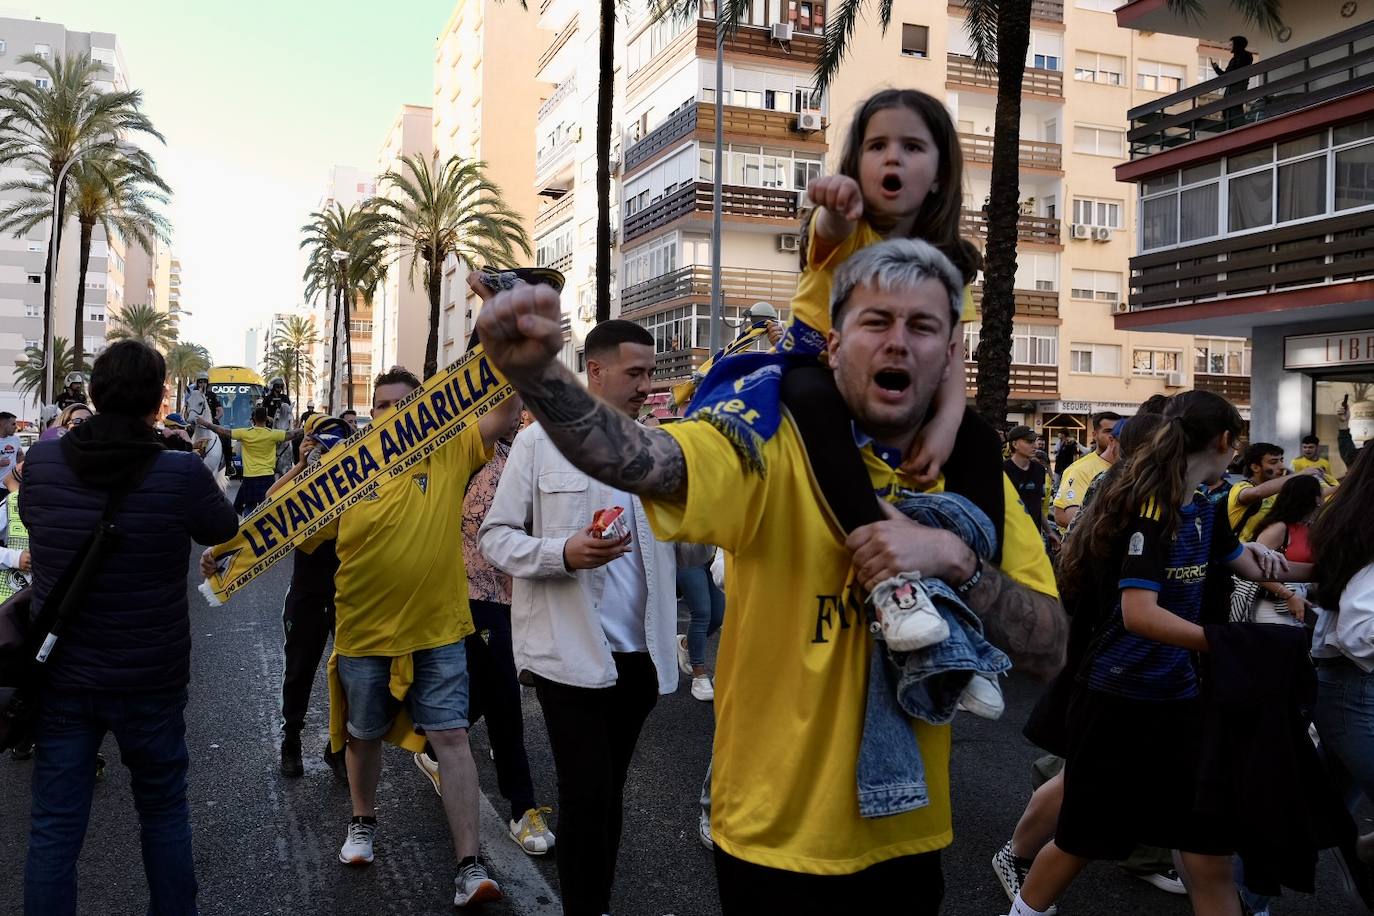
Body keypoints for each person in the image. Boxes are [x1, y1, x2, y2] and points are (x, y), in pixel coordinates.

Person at [477, 239, 1067, 913]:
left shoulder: (970, 481)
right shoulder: (762, 444)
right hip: (768, 846)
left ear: (949, 352)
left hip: (907, 842)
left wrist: (955, 559)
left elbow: (1047, 647)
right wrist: (539, 374)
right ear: (835, 343)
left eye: (924, 325)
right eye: (877, 322)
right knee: (591, 799)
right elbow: (640, 459)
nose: (898, 344)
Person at [1010, 390, 1309, 916]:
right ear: (1226, 443)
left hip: (1183, 700)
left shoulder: (1204, 506)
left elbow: (1251, 563)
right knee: (1082, 840)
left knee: (1210, 856)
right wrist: (1228, 642)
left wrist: (1337, 572)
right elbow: (1138, 614)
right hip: (1119, 699)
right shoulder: (1151, 511)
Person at [20, 340, 239, 915]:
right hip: (151, 677)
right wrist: (173, 451)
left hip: (63, 674)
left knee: (54, 828)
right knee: (163, 810)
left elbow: (35, 519)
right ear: (155, 402)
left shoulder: (40, 465)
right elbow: (222, 527)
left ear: (93, 393)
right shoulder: (179, 470)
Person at [479, 320, 680, 916]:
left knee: (607, 795)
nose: (647, 385)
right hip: (569, 655)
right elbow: (496, 537)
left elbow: (684, 546)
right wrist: (561, 552)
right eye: (635, 372)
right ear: (595, 372)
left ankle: (596, 901)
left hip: (641, 659)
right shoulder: (539, 445)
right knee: (587, 793)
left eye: (650, 372)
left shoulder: (658, 450)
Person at [324, 361, 518, 908]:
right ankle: (363, 822)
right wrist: (228, 556)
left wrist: (511, 344)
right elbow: (286, 524)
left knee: (452, 737)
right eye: (381, 404)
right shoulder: (345, 466)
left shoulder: (449, 450)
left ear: (422, 410)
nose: (390, 413)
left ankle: (470, 865)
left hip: (436, 630)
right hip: (362, 630)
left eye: (401, 404)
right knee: (363, 732)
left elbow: (504, 413)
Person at [786, 88, 980, 485]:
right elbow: (831, 225)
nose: (893, 157)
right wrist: (837, 202)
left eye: (912, 146)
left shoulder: (945, 269)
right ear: (856, 165)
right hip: (814, 372)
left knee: (978, 439)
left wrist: (945, 426)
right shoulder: (847, 232)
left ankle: (981, 545)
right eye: (877, 146)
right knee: (812, 398)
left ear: (939, 176)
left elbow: (952, 369)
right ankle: (868, 522)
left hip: (896, 391)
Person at [413, 400, 557, 858]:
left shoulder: (537, 457)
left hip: (527, 594)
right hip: (475, 591)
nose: (520, 414)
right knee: (504, 697)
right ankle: (522, 806)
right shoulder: (469, 455)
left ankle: (433, 747)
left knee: (485, 690)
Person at [1311, 444, 1374, 824]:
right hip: (1353, 691)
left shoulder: (1359, 523)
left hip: (1349, 687)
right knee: (1315, 808)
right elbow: (1359, 632)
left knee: (1317, 809)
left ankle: (1240, 882)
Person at [1247, 473, 1322, 627]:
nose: (1322, 500)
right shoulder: (1279, 528)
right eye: (1320, 494)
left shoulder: (1309, 527)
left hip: (1302, 603)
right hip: (1273, 605)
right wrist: (1288, 595)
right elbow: (1254, 568)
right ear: (1311, 498)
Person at [197, 406, 300, 516]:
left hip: (250, 478)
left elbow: (223, 431)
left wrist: (205, 423)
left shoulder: (245, 433)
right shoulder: (273, 434)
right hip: (268, 478)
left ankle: (248, 529)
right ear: (266, 419)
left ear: (254, 418)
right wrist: (310, 427)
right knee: (267, 509)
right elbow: (293, 434)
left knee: (249, 508)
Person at [1050, 412, 1121, 530]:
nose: (1113, 436)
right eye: (1108, 431)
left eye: (1118, 432)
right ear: (1094, 435)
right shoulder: (1079, 469)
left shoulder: (1127, 466)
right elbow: (1062, 516)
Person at [676, 541, 725, 701]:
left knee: (718, 616)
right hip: (689, 549)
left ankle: (685, 644)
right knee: (702, 613)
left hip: (718, 554)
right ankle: (699, 674)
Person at [1228, 442, 1306, 542]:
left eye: (1281, 461)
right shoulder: (1241, 487)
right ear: (1255, 467)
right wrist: (1298, 476)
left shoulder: (1278, 492)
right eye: (1273, 462)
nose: (1282, 466)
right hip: (1242, 552)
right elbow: (1256, 493)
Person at [1004, 425, 1049, 534]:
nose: (1034, 445)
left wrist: (1049, 532)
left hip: (1034, 535)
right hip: (1010, 535)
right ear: (1014, 444)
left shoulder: (1039, 470)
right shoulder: (1003, 470)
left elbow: (1038, 506)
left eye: (1034, 441)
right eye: (1029, 442)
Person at [1210, 36, 1255, 129]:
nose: (1229, 47)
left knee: (1235, 108)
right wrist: (1216, 68)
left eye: (1231, 44)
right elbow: (1225, 75)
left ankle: (1238, 128)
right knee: (1227, 109)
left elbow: (1236, 71)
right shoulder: (1233, 59)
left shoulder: (1246, 56)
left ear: (1237, 45)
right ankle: (1230, 128)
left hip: (1238, 87)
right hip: (1230, 88)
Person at [0, 411, 25, 485]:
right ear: (3, 424)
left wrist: (21, 461)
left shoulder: (16, 439)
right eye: (13, 424)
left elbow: (20, 455)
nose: (16, 427)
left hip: (12, 484)